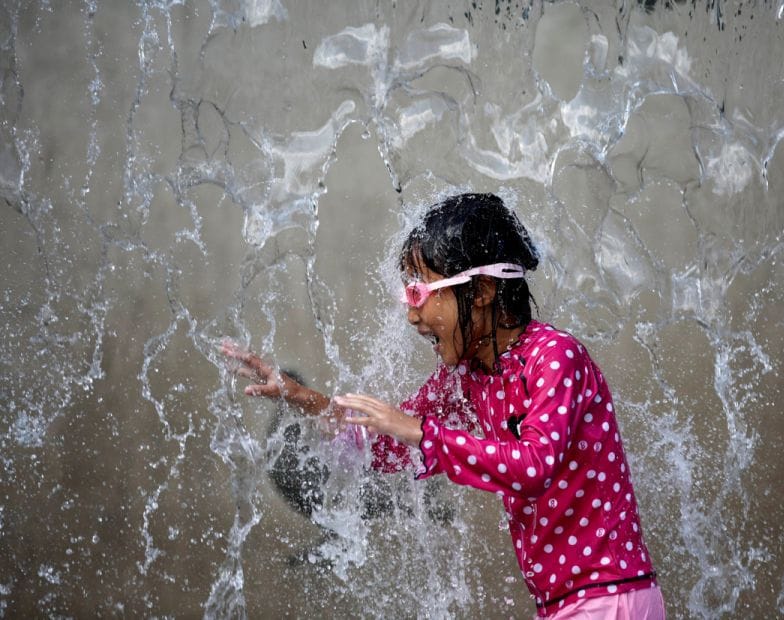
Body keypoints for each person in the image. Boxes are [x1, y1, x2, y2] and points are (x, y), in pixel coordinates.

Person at [223, 193, 665, 619]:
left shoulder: (556, 356)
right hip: (569, 604)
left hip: (612, 598)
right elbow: (384, 447)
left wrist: (419, 430)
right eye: (406, 296)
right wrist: (305, 400)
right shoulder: (470, 378)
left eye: (420, 294)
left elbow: (534, 466)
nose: (411, 315)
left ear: (484, 289)